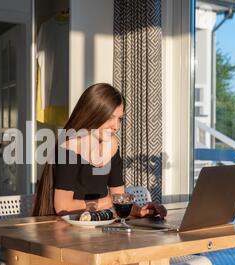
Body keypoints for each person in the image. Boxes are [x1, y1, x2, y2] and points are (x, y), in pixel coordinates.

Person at [33, 83, 166, 219]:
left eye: (119, 119)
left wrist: (139, 210)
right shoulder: (69, 148)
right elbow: (63, 207)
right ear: (92, 114)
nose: (116, 126)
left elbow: (118, 197)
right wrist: (108, 202)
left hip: (99, 225)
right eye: (110, 118)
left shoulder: (112, 145)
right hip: (65, 229)